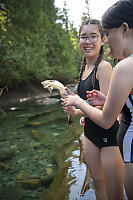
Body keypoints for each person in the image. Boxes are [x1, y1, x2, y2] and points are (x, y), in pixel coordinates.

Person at [62, 0, 133, 199]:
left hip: (110, 137)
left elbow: (110, 115)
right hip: (92, 134)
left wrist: (79, 103)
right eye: (83, 36)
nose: (88, 41)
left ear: (103, 39)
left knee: (115, 192)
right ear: (78, 40)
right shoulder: (84, 69)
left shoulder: (109, 67)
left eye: (96, 36)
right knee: (98, 184)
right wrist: (75, 111)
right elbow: (109, 106)